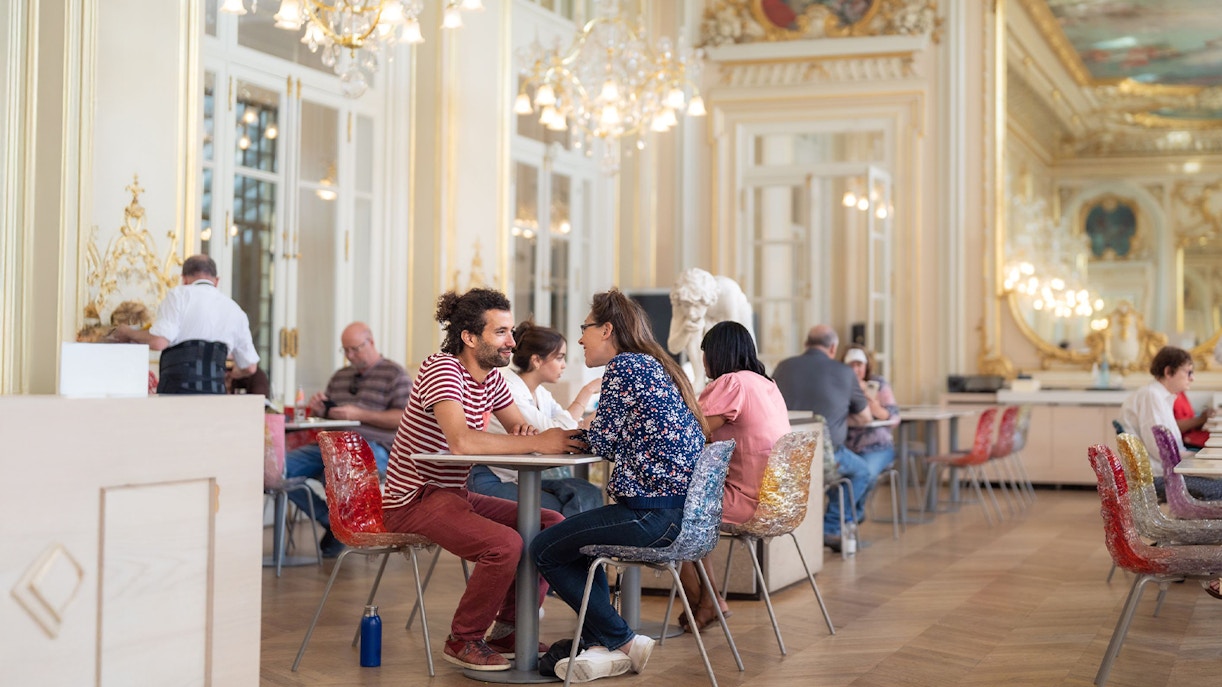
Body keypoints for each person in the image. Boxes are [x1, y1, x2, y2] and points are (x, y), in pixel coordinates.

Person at [381, 289, 585, 672]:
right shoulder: (441, 368)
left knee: (550, 524)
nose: (512, 342)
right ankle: (463, 638)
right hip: (412, 499)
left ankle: (508, 630)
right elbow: (462, 441)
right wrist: (538, 440)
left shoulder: (491, 379)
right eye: (501, 332)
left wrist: (538, 435)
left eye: (511, 332)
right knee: (505, 545)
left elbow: (519, 430)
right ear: (470, 337)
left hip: (455, 494)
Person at [531, 288, 708, 683]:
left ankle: (622, 640)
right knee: (569, 542)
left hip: (652, 513)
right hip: (679, 514)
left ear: (607, 329)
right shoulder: (653, 365)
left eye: (585, 328)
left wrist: (563, 435)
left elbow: (604, 441)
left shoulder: (625, 367)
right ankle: (603, 644)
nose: (580, 339)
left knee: (543, 548)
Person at [678, 321, 789, 633]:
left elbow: (689, 431)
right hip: (775, 500)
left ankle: (708, 600)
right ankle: (710, 601)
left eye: (704, 353)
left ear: (715, 353)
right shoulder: (768, 384)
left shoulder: (731, 384)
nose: (703, 360)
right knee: (689, 509)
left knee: (670, 513)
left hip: (746, 500)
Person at [284, 322, 412, 557]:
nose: (350, 356)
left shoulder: (395, 374)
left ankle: (343, 528)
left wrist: (359, 414)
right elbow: (329, 415)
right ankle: (332, 523)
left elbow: (404, 417)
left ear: (370, 342)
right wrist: (321, 409)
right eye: (346, 350)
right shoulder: (340, 377)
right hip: (329, 444)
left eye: (355, 349)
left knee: (334, 472)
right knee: (275, 471)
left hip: (373, 447)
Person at [470, 321, 605, 518]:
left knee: (587, 493)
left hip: (522, 476)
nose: (564, 365)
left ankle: (575, 547)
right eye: (559, 357)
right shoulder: (507, 387)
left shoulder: (540, 393)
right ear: (537, 360)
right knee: (560, 509)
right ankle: (566, 547)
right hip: (493, 477)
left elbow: (570, 429)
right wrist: (588, 391)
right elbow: (557, 433)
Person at [772, 324, 872, 553]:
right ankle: (831, 527)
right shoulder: (844, 372)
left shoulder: (783, 367)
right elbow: (865, 417)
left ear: (806, 344)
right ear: (833, 347)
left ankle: (817, 526)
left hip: (785, 457)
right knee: (861, 471)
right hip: (827, 457)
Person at [113, 254, 258, 394]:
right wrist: (232, 375)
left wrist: (128, 332)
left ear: (184, 279)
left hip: (177, 393)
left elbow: (159, 341)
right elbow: (250, 367)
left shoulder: (179, 295)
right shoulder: (235, 310)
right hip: (215, 396)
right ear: (217, 280)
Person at [1120, 346, 1222, 500]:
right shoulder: (1151, 396)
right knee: (1219, 485)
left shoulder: (1161, 397)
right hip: (1160, 475)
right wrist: (1196, 459)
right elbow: (1160, 451)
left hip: (1168, 469)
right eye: (1188, 372)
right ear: (1168, 372)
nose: (1192, 378)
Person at [842, 345, 901, 520]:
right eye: (850, 365)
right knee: (841, 479)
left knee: (866, 473)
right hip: (848, 445)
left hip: (877, 446)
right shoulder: (841, 384)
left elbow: (894, 417)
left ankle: (849, 518)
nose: (855, 369)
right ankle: (850, 517)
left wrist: (873, 406)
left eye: (859, 365)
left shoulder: (878, 384)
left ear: (867, 365)